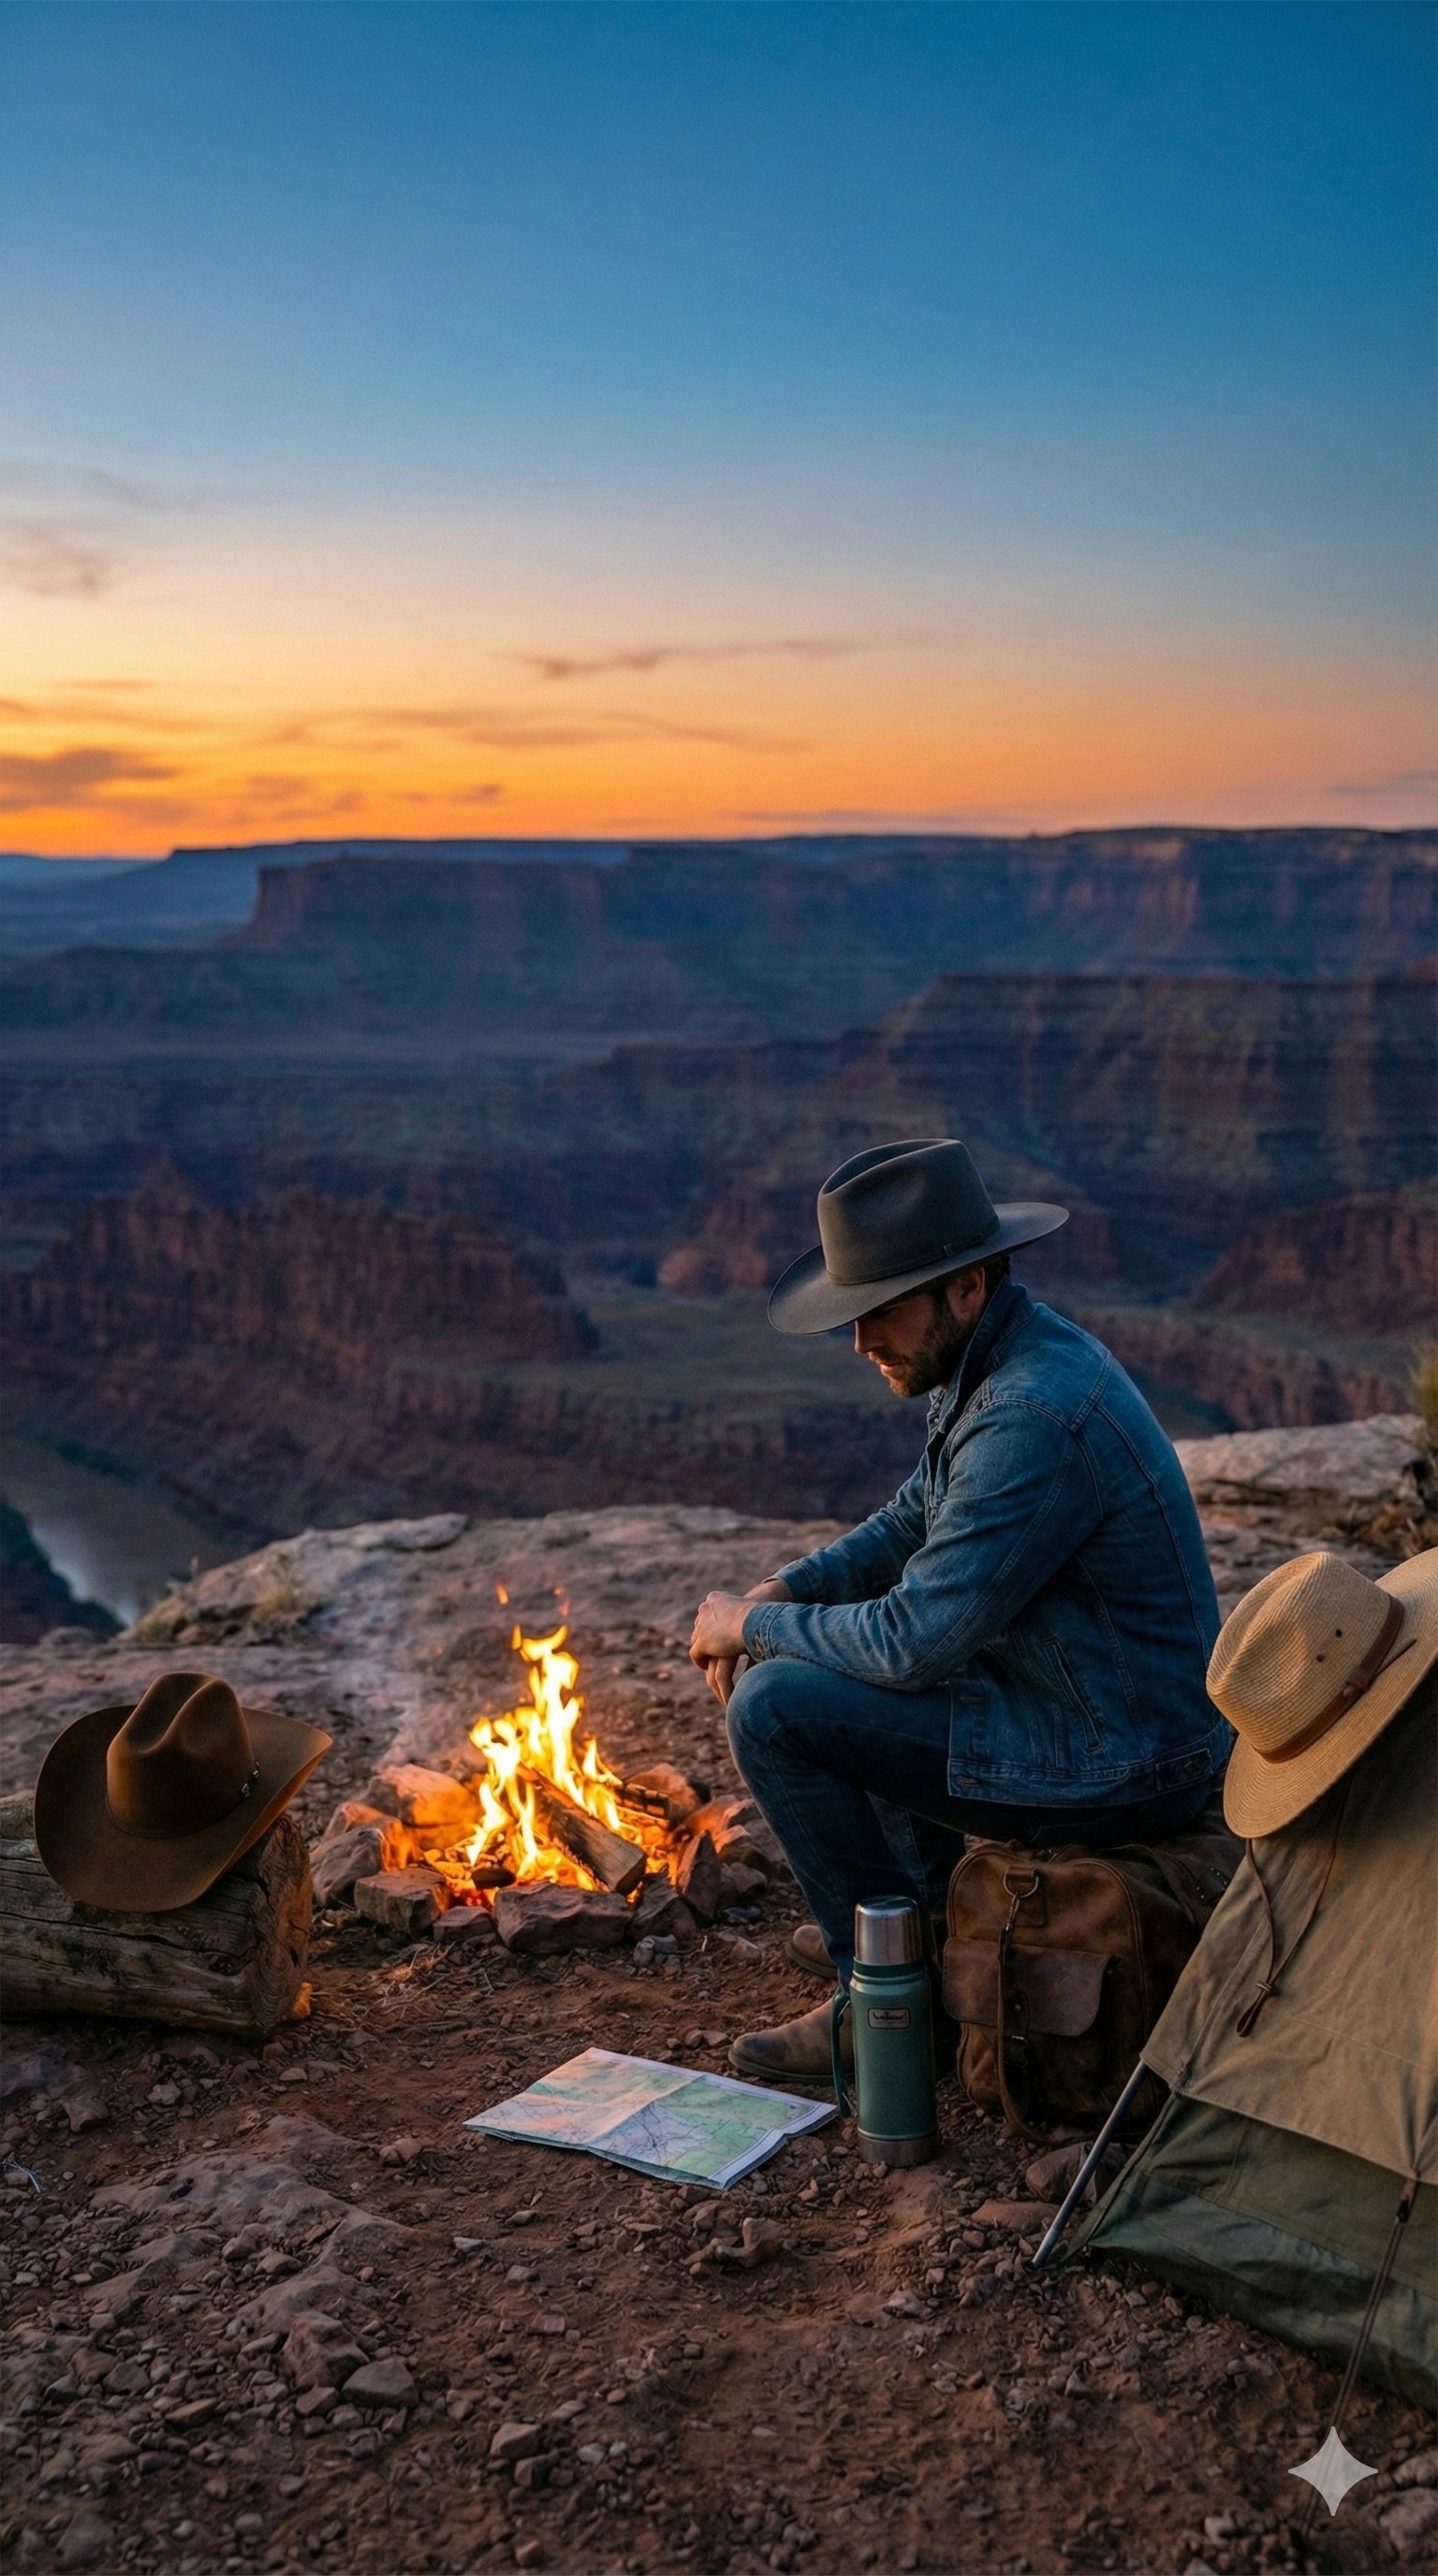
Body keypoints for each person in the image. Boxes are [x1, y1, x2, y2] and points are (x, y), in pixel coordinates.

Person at [688, 1137, 1230, 2081]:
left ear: (968, 1286)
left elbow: (911, 1644)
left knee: (775, 1707)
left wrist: (753, 1626)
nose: (860, 1344)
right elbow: (913, 1518)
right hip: (1089, 1707)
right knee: (831, 1664)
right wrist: (789, 1587)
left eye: (880, 1312)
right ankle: (929, 1939)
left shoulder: (1030, 1413)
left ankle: (888, 2002)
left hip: (1127, 1757)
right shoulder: (997, 1355)